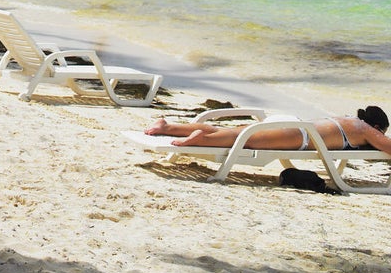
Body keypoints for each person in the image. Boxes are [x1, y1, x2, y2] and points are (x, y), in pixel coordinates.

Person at [145, 106, 391, 153]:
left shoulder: (347, 119)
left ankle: (168, 126)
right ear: (378, 126)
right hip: (299, 135)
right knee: (246, 140)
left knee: (230, 131)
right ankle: (198, 140)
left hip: (293, 124)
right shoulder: (367, 129)